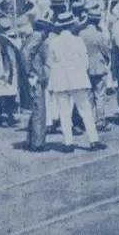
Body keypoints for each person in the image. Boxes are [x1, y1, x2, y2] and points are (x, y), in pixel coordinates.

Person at [45, 10, 104, 153]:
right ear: (71, 25)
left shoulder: (54, 42)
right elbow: (85, 61)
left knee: (64, 112)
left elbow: (50, 62)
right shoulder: (78, 41)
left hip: (61, 79)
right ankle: (93, 140)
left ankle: (68, 143)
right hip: (77, 78)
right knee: (85, 110)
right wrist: (79, 71)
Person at [21, 14, 51, 151]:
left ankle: (31, 139)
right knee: (39, 109)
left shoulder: (34, 37)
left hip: (36, 76)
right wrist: (29, 72)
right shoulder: (37, 37)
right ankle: (37, 143)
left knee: (36, 109)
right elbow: (26, 53)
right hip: (35, 77)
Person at [79, 3, 112, 131]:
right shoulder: (99, 35)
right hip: (99, 67)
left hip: (85, 67)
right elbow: (105, 50)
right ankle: (100, 120)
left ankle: (89, 119)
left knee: (89, 96)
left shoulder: (81, 34)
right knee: (100, 95)